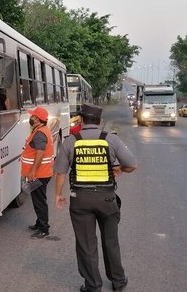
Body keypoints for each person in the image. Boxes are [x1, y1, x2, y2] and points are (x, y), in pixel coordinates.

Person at [54, 103, 138, 292]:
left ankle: (93, 285)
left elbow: (60, 173)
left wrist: (58, 194)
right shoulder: (111, 139)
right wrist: (120, 170)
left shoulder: (71, 140)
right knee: (111, 242)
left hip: (80, 200)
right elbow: (132, 165)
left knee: (86, 244)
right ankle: (118, 281)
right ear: (100, 122)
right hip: (107, 200)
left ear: (81, 120)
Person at [21, 107, 54, 238]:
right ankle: (39, 223)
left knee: (39, 201)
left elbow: (40, 153)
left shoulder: (40, 134)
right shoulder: (40, 130)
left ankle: (44, 228)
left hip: (39, 174)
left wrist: (32, 171)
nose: (31, 117)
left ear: (37, 119)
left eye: (33, 115)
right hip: (41, 173)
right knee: (38, 200)